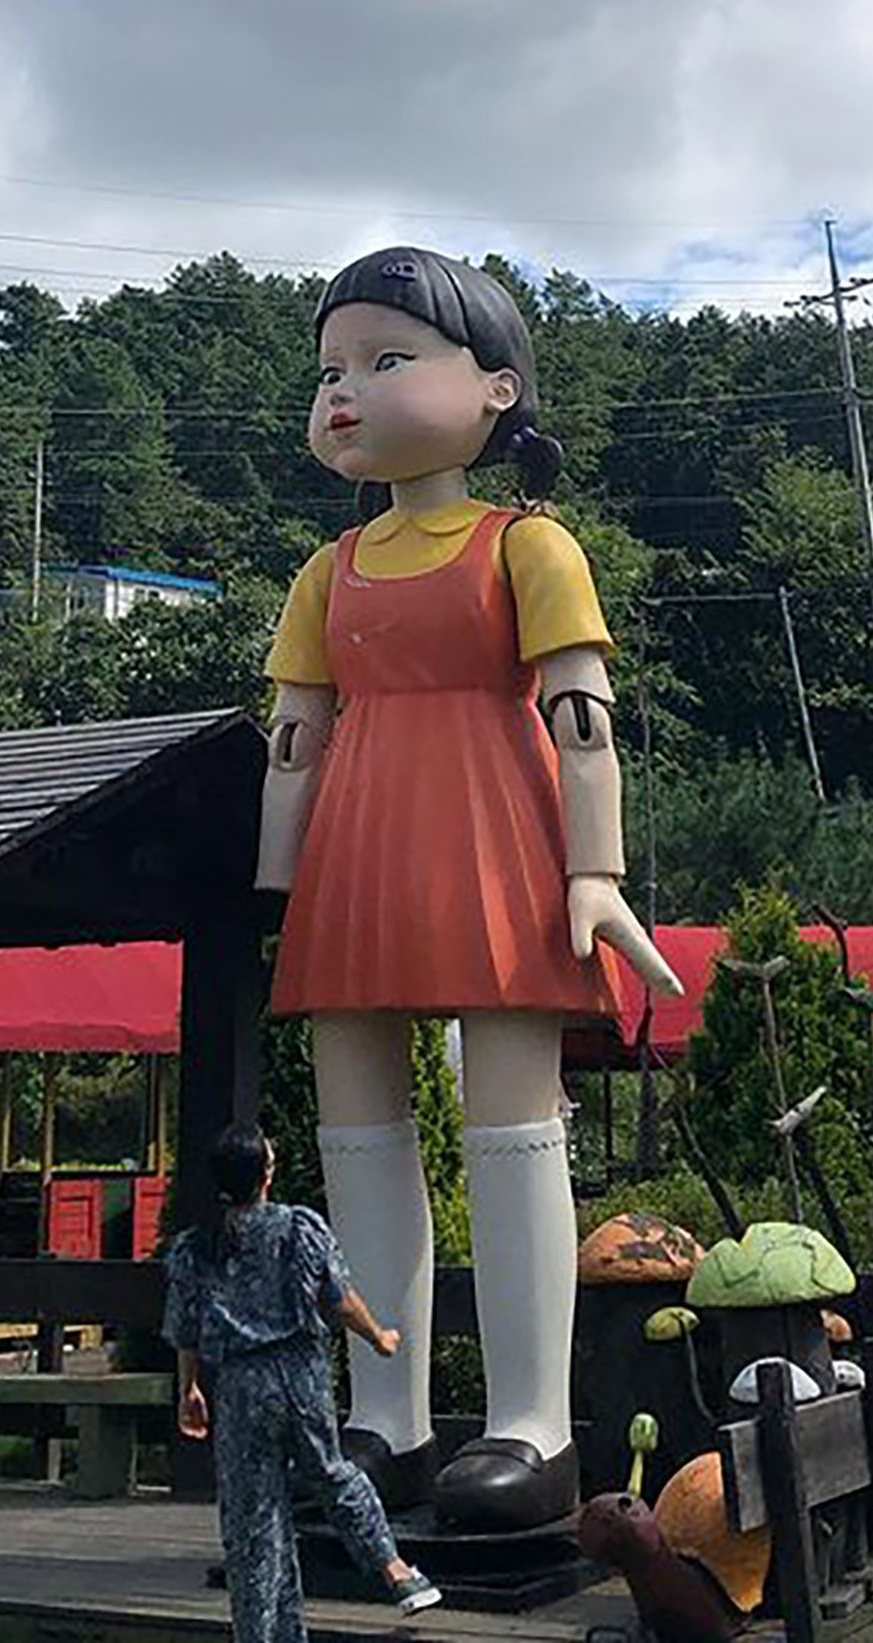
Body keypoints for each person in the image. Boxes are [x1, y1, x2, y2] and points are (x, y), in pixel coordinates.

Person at [257, 247, 683, 1532]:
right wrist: (275, 893)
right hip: (356, 858)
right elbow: (294, 743)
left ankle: (532, 1427)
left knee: (512, 1125)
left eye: (387, 359)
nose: (345, 390)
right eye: (331, 369)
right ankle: (382, 1416)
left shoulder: (530, 547)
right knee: (356, 1131)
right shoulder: (328, 571)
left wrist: (595, 871)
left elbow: (583, 721)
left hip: (498, 844)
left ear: (498, 387)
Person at [163, 1125, 440, 1643]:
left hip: (240, 1382)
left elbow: (186, 1328)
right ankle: (394, 1567)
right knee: (332, 1472)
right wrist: (378, 1336)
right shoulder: (297, 1228)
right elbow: (339, 1298)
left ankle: (258, 1633)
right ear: (266, 1175)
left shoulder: (196, 1248)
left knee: (253, 1519)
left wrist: (190, 1389)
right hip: (299, 1370)